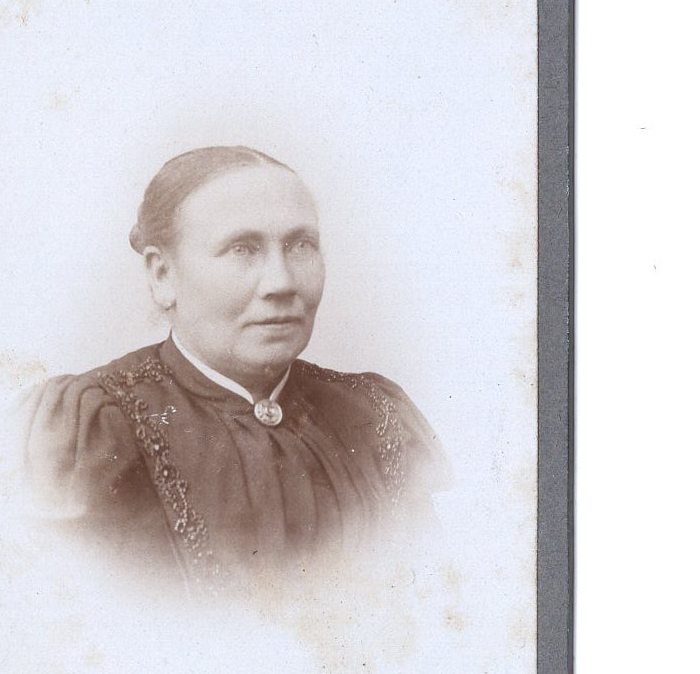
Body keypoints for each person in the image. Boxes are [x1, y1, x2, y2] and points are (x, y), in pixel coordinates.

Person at [23, 146, 447, 591]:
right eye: (242, 249)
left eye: (301, 245)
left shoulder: (374, 415)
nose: (282, 283)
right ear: (162, 274)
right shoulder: (94, 430)